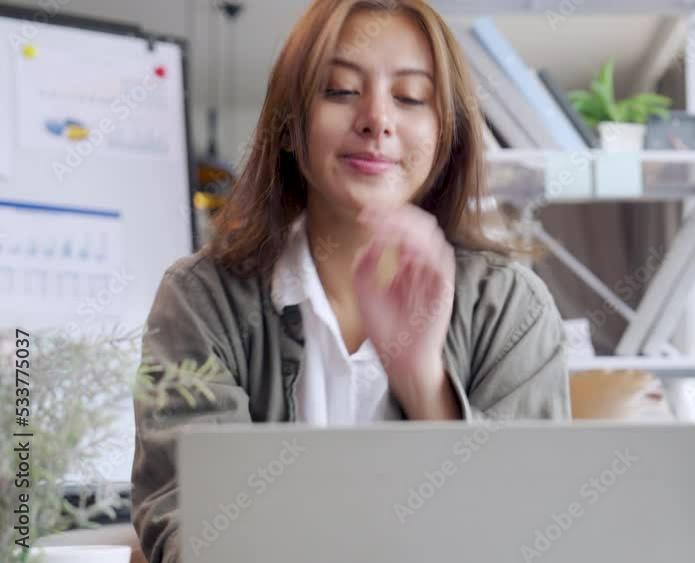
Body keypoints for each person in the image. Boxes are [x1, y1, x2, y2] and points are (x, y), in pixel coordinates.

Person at [130, 1, 571, 561]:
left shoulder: (512, 309)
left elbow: (537, 532)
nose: (377, 119)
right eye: (339, 90)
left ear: (445, 137)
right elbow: (190, 520)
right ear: (289, 128)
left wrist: (424, 384)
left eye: (411, 98)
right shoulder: (200, 299)